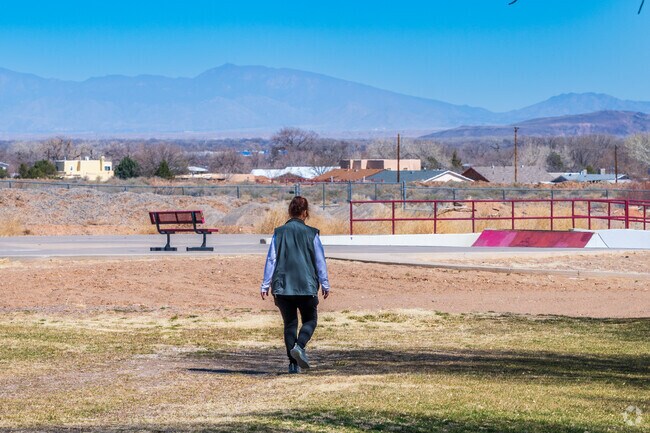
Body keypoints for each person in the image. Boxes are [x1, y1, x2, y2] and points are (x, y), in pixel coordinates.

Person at [260, 196, 330, 374]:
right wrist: (325, 283)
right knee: (310, 320)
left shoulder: (279, 232)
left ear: (290, 211)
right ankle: (299, 346)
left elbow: (271, 259)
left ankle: (293, 365)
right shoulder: (312, 233)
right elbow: (320, 260)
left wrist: (265, 284)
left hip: (283, 287)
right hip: (306, 286)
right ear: (305, 213)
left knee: (290, 324)